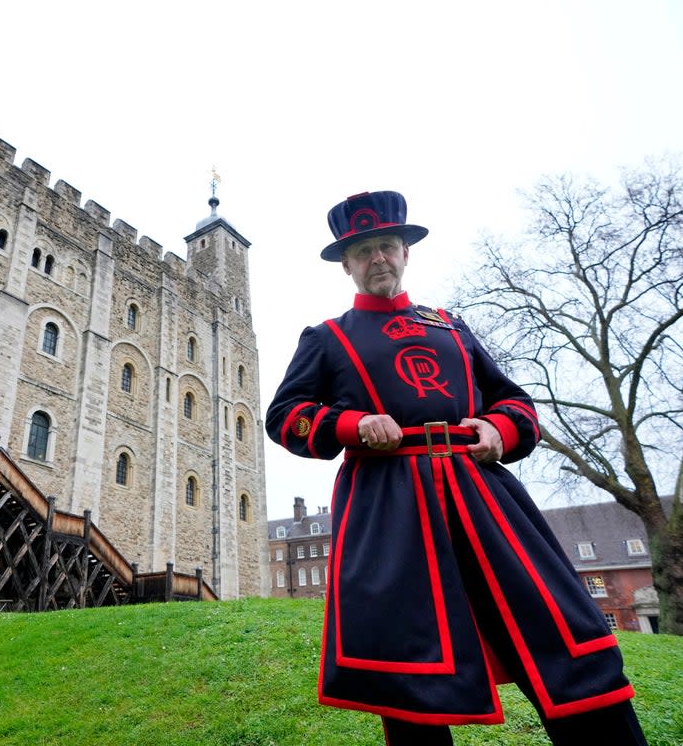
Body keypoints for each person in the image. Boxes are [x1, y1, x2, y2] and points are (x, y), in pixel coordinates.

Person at [265, 191, 648, 745]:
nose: (379, 259)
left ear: (406, 253)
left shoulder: (451, 326)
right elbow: (286, 417)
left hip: (484, 495)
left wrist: (501, 428)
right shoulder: (327, 337)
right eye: (365, 250)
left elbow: (514, 403)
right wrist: (352, 425)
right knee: (411, 668)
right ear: (346, 264)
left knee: (562, 633)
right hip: (389, 505)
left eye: (388, 246)